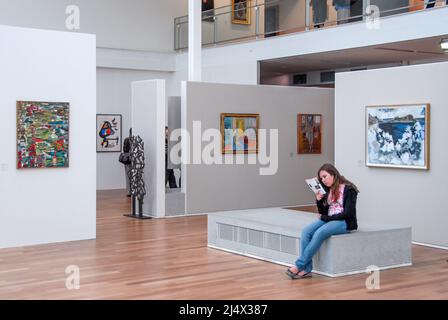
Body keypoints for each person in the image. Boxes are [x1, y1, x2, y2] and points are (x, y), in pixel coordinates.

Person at [286, 163, 359, 279]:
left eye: (325, 176)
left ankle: (299, 265)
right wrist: (319, 200)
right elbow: (323, 211)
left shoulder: (349, 189)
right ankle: (307, 270)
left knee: (320, 233)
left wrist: (327, 218)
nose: (323, 180)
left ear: (333, 174)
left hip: (344, 222)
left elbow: (348, 213)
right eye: (321, 178)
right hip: (329, 218)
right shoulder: (327, 189)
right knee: (306, 232)